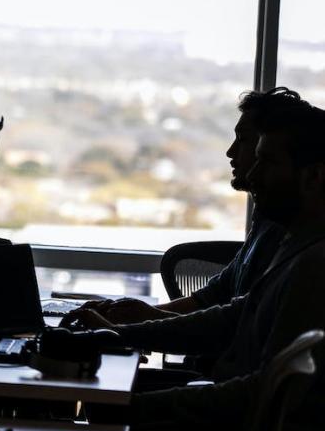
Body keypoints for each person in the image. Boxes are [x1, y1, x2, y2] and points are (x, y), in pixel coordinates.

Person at [88, 103, 325, 431]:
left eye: (269, 163)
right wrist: (124, 334)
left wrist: (137, 404)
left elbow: (260, 392)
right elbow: (233, 315)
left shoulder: (314, 266)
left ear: (314, 178)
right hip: (223, 420)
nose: (255, 175)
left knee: (92, 427)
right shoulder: (294, 243)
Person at [68, 87, 309, 326]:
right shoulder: (267, 218)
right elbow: (213, 297)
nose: (230, 151)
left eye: (244, 140)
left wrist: (131, 325)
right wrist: (130, 317)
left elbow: (231, 329)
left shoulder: (293, 238)